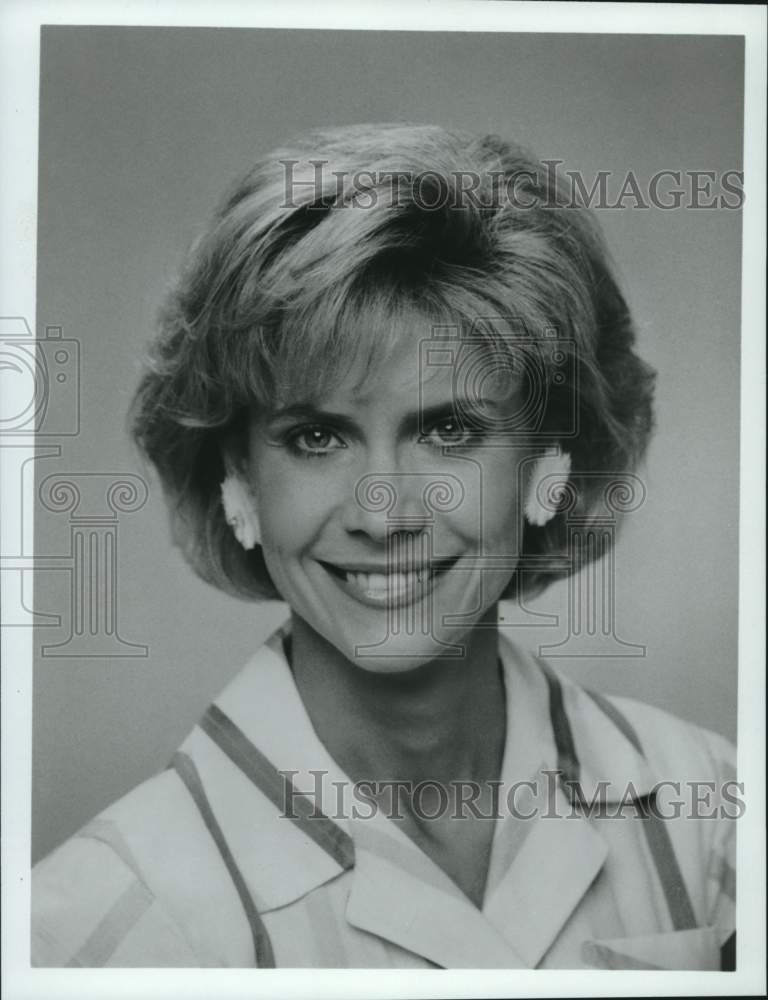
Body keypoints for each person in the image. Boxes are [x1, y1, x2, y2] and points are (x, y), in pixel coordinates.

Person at [31, 123, 737, 970]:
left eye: (447, 429)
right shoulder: (96, 922)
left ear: (551, 462)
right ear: (239, 479)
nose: (383, 514)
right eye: (317, 437)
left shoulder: (713, 815)